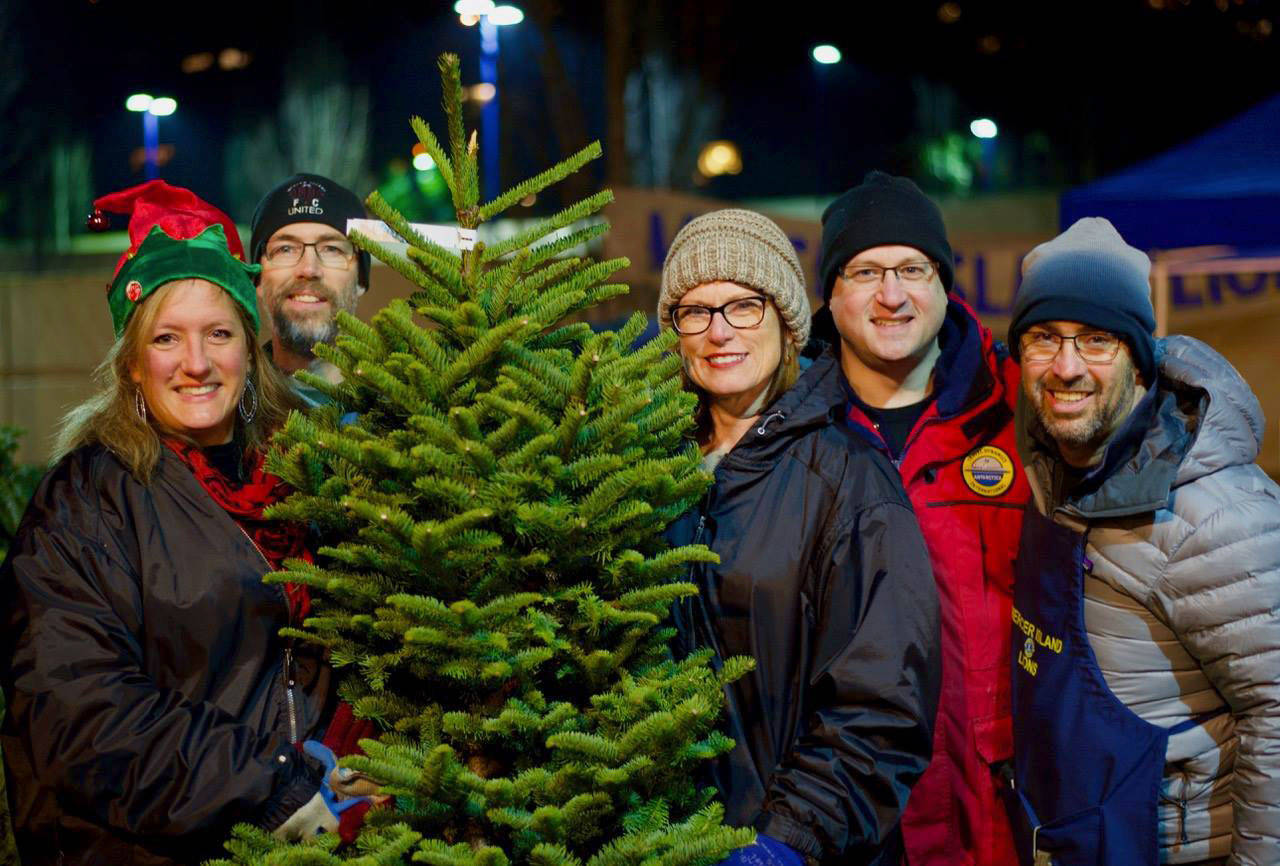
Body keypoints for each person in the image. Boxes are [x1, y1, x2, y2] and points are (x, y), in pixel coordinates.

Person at [0, 181, 374, 864]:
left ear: (248, 349)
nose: (197, 364)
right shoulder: (85, 503)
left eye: (219, 335)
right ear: (134, 364)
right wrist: (273, 788)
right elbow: (82, 714)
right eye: (168, 338)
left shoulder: (298, 478)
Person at [660, 209, 941, 866]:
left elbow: (881, 703)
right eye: (694, 312)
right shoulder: (651, 471)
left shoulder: (849, 477)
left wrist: (785, 843)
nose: (718, 331)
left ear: (785, 320)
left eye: (743, 306)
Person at [1004, 217, 1280, 865]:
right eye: (1044, 338)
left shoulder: (1213, 513)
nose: (1066, 366)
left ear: (1139, 357)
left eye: (1097, 340)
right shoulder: (1053, 473)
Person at [813, 170, 1029, 866]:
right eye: (865, 270)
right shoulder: (790, 430)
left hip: (989, 804)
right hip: (841, 807)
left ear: (943, 284)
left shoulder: (1021, 410)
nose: (892, 294)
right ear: (831, 293)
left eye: (913, 268)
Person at [249, 173, 369, 405]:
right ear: (258, 280)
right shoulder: (228, 411)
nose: (309, 268)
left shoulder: (403, 407)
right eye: (286, 249)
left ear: (361, 280)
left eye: (332, 249)